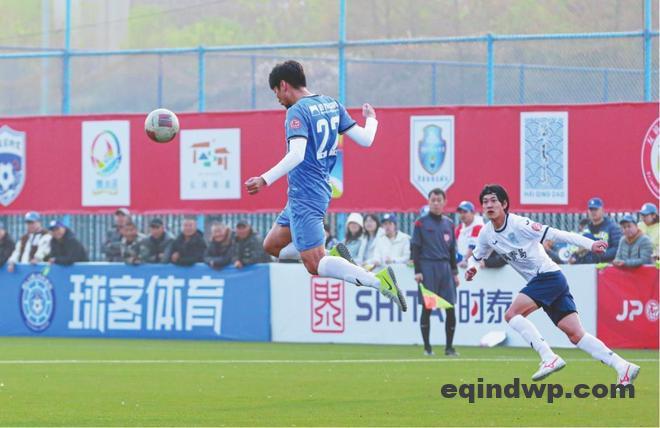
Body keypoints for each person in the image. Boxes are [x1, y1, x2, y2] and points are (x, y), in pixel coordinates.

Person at [244, 60, 406, 311]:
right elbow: (366, 139)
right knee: (272, 246)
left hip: (306, 195)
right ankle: (332, 254)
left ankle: (378, 281)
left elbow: (296, 154)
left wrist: (264, 179)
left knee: (314, 264)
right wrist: (372, 120)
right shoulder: (332, 104)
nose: (278, 99)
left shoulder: (297, 111)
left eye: (276, 92)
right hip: (310, 192)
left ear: (283, 85)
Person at [465, 184, 639, 386]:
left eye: (494, 200)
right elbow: (475, 257)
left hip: (547, 276)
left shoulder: (519, 224)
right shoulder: (486, 234)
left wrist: (589, 244)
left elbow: (557, 234)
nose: (489, 205)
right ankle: (623, 366)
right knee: (575, 334)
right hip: (550, 281)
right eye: (485, 202)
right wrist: (472, 268)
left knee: (512, 315)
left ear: (504, 204)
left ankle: (548, 357)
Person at [411, 188, 460, 356]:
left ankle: (449, 347)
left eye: (439, 200)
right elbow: (415, 248)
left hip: (445, 269)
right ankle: (427, 348)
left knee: (450, 307)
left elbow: (452, 250)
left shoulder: (449, 224)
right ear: (428, 201)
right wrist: (418, 271)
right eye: (433, 200)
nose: (436, 203)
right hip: (427, 268)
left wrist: (454, 272)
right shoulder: (421, 223)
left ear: (445, 202)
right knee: (428, 307)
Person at [569, 198, 621, 264]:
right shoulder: (586, 228)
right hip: (586, 264)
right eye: (591, 209)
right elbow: (578, 247)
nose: (593, 212)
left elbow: (617, 248)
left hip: (606, 263)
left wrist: (599, 255)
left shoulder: (612, 227)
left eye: (596, 209)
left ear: (602, 210)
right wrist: (574, 256)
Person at [455, 201, 484, 268]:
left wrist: (464, 261)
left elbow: (473, 248)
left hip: (475, 265)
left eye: (465, 212)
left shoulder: (478, 226)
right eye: (460, 212)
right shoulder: (460, 227)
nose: (462, 215)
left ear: (473, 213)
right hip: (463, 263)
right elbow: (453, 245)